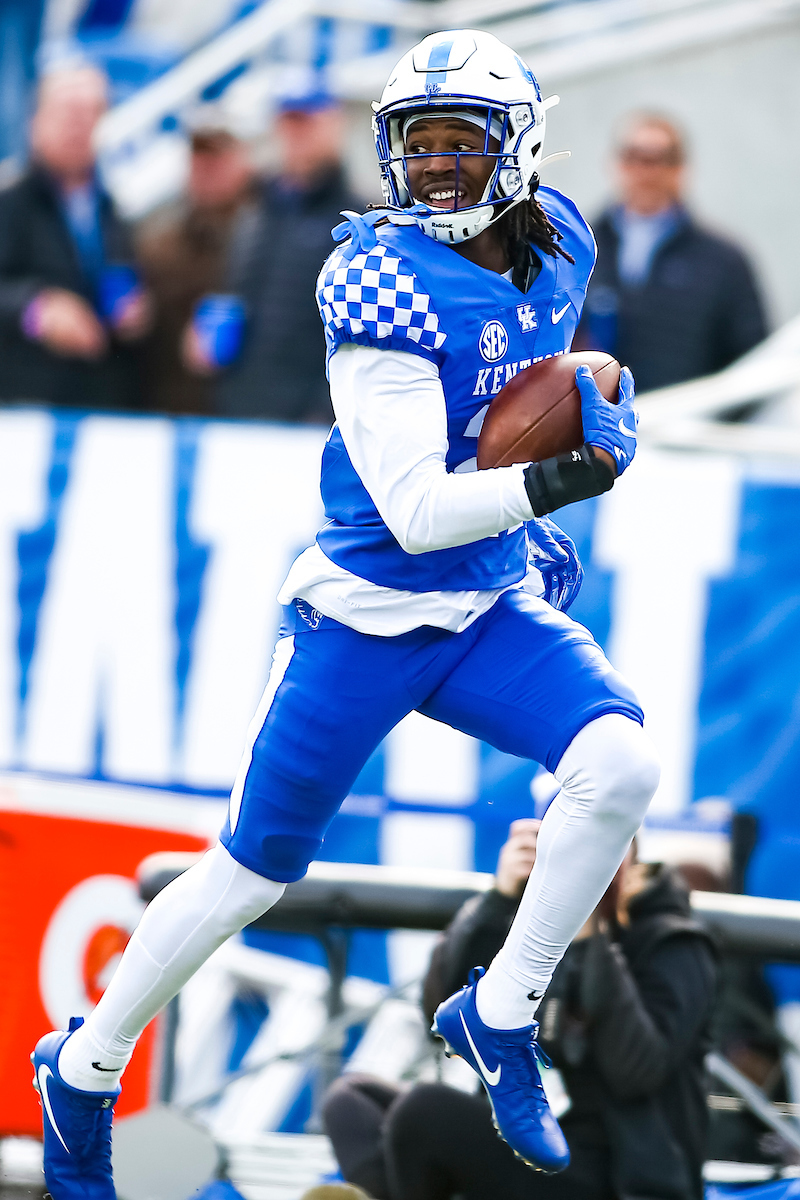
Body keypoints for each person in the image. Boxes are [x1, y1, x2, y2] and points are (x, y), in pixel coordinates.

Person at [32, 29, 661, 1197]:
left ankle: (500, 1011)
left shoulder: (562, 237)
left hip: (479, 602)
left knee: (619, 766)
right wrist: (553, 484)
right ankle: (85, 1064)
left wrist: (563, 448)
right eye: (417, 145)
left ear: (519, 150)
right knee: (249, 873)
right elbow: (416, 512)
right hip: (366, 613)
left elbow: (518, 382)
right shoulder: (379, 281)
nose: (434, 168)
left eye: (460, 145)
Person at [323, 823, 717, 1200]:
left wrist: (587, 933)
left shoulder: (675, 943)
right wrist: (499, 902)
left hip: (617, 1173)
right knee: (352, 1101)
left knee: (425, 1112)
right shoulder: (531, 924)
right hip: (522, 1133)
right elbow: (441, 1016)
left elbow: (637, 1072)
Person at [187, 82, 363, 422]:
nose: (296, 134)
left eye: (307, 122)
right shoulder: (257, 208)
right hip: (241, 409)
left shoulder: (355, 219)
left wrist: (324, 412)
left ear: (335, 124)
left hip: (310, 421)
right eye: (288, 122)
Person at [578, 113, 767, 392]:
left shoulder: (723, 261)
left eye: (661, 159)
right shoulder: (576, 251)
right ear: (616, 164)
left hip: (687, 415)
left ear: (681, 168)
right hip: (594, 415)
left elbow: (753, 360)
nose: (646, 172)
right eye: (635, 157)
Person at [0, 63, 150, 409]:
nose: (78, 125)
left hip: (97, 402)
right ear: (36, 121)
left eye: (89, 113)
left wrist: (135, 311)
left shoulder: (111, 208)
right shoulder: (10, 203)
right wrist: (36, 310)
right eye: (67, 113)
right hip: (23, 407)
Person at [136, 111, 258, 415]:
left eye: (216, 158)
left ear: (243, 161)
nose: (206, 169)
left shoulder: (269, 233)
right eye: (198, 158)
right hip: (174, 407)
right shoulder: (160, 243)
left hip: (251, 411)